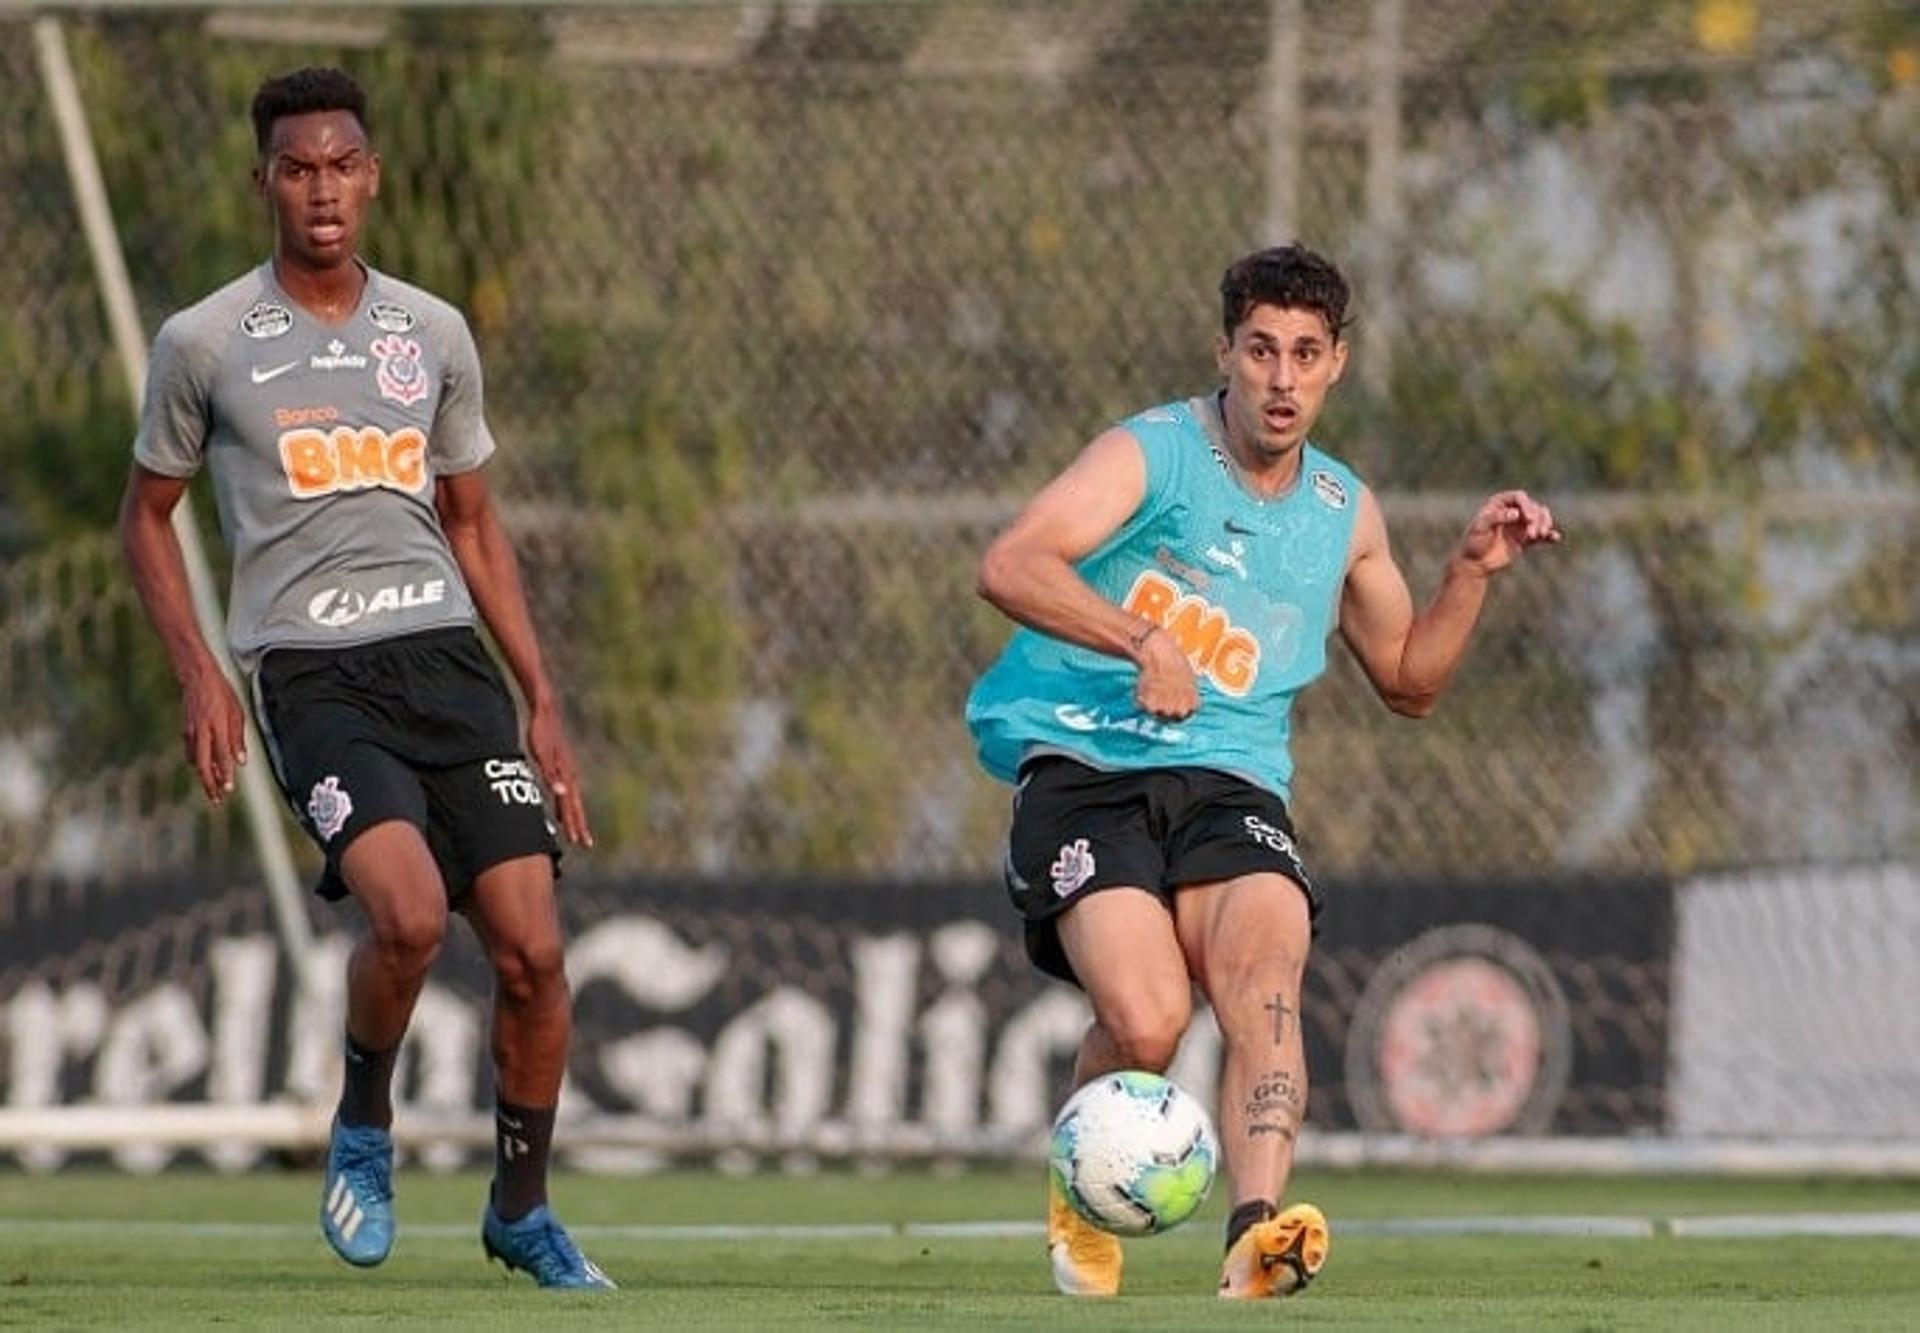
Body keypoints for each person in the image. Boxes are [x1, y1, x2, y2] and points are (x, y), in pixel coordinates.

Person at [965, 243, 1560, 1299]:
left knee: (1265, 973)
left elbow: (1411, 682)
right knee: (1147, 1020)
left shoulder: (1344, 512)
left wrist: (1469, 572)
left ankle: (1255, 1233)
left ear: (1338, 363)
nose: (1282, 379)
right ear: (1225, 353)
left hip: (1231, 786)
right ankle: (1080, 1203)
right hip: (1085, 767)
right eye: (1261, 351)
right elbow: (1010, 563)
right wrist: (1138, 639)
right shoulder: (1153, 453)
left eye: (1306, 354)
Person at [117, 67, 612, 1290]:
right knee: (406, 913)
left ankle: (521, 1209)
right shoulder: (206, 341)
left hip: (446, 661)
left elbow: (478, 522)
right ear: (265, 184)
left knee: (535, 954)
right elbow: (146, 517)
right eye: (298, 169)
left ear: (372, 176)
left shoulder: (431, 333)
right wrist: (201, 670)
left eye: (341, 165)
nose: (322, 189)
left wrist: (541, 696)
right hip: (310, 669)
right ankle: (363, 1124)